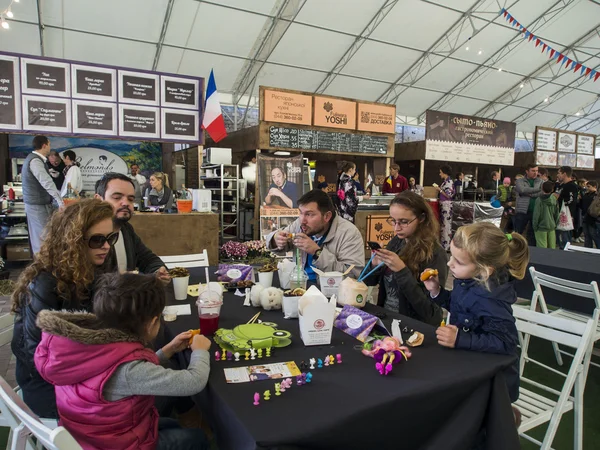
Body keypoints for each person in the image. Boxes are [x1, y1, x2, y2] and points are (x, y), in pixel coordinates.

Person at [35, 272, 210, 450]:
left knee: (170, 424)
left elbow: (123, 372)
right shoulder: (129, 371)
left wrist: (168, 350)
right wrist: (200, 351)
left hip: (90, 436)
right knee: (197, 438)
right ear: (152, 323)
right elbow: (193, 382)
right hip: (117, 444)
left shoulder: (87, 345)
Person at [11, 199, 116, 418]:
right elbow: (37, 356)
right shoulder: (45, 283)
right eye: (97, 240)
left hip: (78, 373)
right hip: (48, 387)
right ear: (74, 240)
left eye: (110, 238)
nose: (106, 246)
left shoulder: (91, 268)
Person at [422, 223, 529, 404]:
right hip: (468, 363)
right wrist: (437, 292)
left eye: (459, 262)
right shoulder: (468, 280)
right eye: (451, 256)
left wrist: (460, 339)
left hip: (492, 381)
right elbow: (460, 305)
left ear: (485, 270)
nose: (449, 264)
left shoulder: (492, 299)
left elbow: (505, 342)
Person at [363, 191, 448, 325]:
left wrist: (401, 271)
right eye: (393, 221)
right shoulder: (396, 242)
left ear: (421, 218)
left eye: (404, 222)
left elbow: (430, 312)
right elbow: (368, 282)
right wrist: (374, 264)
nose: (396, 228)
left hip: (414, 328)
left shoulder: (435, 254)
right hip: (386, 321)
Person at [267, 189, 364, 280]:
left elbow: (352, 276)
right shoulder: (300, 224)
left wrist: (317, 252)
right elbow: (277, 242)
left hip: (329, 293)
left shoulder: (349, 233)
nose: (302, 220)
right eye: (301, 213)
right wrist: (276, 239)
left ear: (327, 216)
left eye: (309, 214)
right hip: (299, 286)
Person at [95, 173, 170, 281]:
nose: (125, 203)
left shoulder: (126, 229)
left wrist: (157, 272)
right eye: (117, 197)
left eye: (130, 199)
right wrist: (120, 280)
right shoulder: (87, 235)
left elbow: (147, 258)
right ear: (98, 200)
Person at [22, 136, 64, 254]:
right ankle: (44, 268)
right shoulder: (35, 161)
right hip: (37, 206)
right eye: (49, 145)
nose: (50, 148)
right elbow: (47, 182)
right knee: (44, 238)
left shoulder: (36, 160)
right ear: (44, 145)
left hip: (35, 204)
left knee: (39, 238)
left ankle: (41, 266)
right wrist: (60, 201)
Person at [514, 164, 543, 246]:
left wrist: (529, 193)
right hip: (522, 211)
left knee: (532, 234)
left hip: (535, 211)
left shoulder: (541, 181)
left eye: (537, 171)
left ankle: (531, 251)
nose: (535, 173)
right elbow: (522, 190)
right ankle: (515, 248)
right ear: (527, 171)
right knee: (518, 232)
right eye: (533, 171)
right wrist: (537, 190)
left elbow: (542, 192)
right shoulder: (519, 181)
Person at [554, 166, 578, 250]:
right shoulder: (562, 185)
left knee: (565, 238)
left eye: (559, 173)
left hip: (566, 215)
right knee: (559, 237)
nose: (558, 175)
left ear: (564, 174)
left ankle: (566, 253)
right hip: (558, 213)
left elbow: (572, 200)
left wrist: (560, 199)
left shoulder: (571, 186)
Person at [533, 181, 560, 249]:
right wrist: (555, 224)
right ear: (552, 189)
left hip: (541, 227)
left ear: (542, 188)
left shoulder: (539, 200)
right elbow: (557, 213)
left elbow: (536, 214)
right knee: (552, 247)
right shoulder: (554, 199)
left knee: (541, 247)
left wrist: (535, 226)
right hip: (551, 226)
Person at [436, 165, 455, 251]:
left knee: (446, 225)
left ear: (444, 173)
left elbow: (448, 194)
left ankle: (446, 245)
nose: (440, 174)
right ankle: (444, 244)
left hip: (446, 206)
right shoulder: (445, 182)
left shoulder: (449, 182)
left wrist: (439, 190)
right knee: (443, 225)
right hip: (443, 205)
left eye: (441, 172)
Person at [582, 181, 600, 249]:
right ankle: (587, 249)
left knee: (593, 235)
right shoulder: (586, 195)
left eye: (589, 186)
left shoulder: (596, 196)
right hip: (585, 216)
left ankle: (598, 249)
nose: (587, 188)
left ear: (595, 187)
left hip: (593, 218)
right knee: (587, 235)